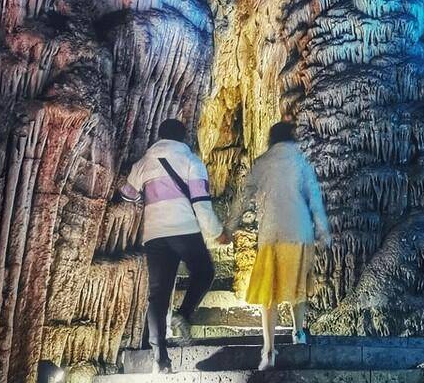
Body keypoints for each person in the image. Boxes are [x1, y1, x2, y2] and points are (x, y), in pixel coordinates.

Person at [120, 118, 229, 374]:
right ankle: (184, 314)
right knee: (204, 272)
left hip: (155, 234)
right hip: (184, 229)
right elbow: (201, 203)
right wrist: (216, 232)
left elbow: (128, 194)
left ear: (160, 136)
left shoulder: (143, 163)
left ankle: (160, 359)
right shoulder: (191, 161)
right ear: (183, 138)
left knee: (158, 295)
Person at [226, 121, 330, 370]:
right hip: (299, 232)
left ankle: (269, 350)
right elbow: (314, 198)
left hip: (271, 235)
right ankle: (298, 333)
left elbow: (243, 197)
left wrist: (230, 227)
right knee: (298, 288)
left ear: (271, 139)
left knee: (268, 294)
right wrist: (323, 231)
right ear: (292, 138)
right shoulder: (301, 161)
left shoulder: (262, 163)